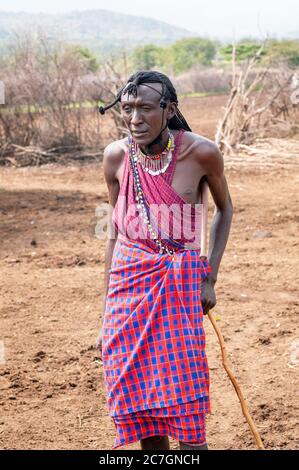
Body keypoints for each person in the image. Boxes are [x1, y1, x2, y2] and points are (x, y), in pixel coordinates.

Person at [95, 70, 233, 450]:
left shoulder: (201, 153)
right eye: (127, 109)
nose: (135, 119)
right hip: (129, 287)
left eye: (145, 108)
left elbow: (225, 209)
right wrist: (107, 310)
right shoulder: (115, 158)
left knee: (185, 400)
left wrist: (209, 276)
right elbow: (114, 231)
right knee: (140, 405)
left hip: (179, 288)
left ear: (169, 109)